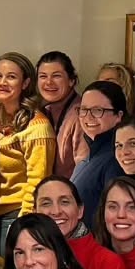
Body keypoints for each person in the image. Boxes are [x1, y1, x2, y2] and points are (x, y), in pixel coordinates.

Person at [0, 53, 55, 250]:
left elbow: (37, 181)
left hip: (16, 214)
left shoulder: (38, 127)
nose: (2, 82)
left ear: (25, 83)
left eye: (11, 77)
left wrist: (23, 223)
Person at [69, 80, 127, 217]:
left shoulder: (117, 158)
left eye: (97, 110)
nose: (88, 117)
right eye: (84, 109)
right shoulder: (89, 158)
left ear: (119, 116)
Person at [37, 51, 86, 180]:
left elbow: (83, 170)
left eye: (56, 76)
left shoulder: (82, 115)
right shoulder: (42, 111)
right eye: (43, 76)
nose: (48, 82)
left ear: (71, 80)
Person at [33, 176, 89, 241]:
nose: (56, 212)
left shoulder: (99, 250)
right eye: (46, 203)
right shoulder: (22, 247)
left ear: (80, 211)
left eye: (64, 202)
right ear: (35, 214)